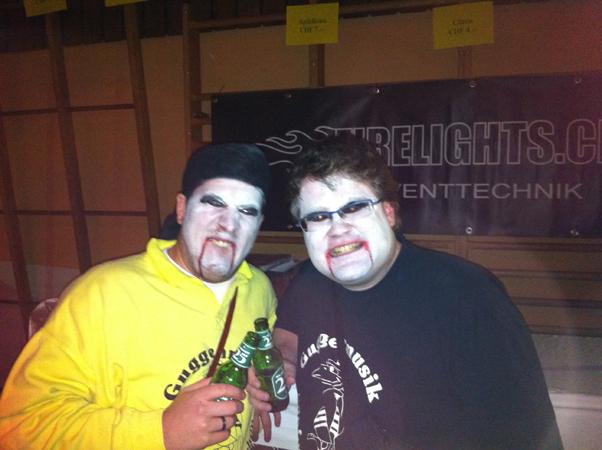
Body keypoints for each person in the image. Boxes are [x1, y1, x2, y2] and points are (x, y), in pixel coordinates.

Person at [248, 135, 563, 449]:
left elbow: (525, 436)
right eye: (318, 217)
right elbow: (286, 339)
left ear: (389, 213)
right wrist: (277, 364)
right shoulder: (309, 282)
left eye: (355, 208)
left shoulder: (468, 296)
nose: (338, 229)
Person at [0, 143, 277, 450]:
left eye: (247, 211)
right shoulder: (103, 293)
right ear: (182, 209)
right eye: (213, 203)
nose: (228, 224)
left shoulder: (259, 289)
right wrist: (160, 432)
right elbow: (20, 428)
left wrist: (257, 388)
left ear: (259, 225)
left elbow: (261, 353)